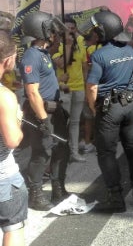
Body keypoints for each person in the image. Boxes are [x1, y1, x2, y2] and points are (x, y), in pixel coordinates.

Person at [82, 11, 133, 213]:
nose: (94, 34)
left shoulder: (99, 55)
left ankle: (116, 198)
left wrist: (95, 109)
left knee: (106, 153)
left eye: (96, 30)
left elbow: (92, 87)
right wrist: (130, 92)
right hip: (130, 106)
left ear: (104, 32)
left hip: (108, 108)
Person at [15, 11, 69, 211]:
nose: (53, 31)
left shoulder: (43, 53)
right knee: (42, 153)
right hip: (42, 112)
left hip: (55, 109)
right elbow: (32, 92)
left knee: (61, 149)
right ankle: (35, 194)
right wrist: (43, 119)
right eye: (50, 28)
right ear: (41, 30)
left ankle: (58, 188)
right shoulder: (31, 56)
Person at [0, 30, 27, 245]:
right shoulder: (5, 96)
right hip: (3, 177)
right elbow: (12, 140)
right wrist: (17, 118)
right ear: (8, 60)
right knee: (13, 227)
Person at [52, 20, 88, 163]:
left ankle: (74, 152)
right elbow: (61, 63)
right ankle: (61, 152)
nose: (70, 31)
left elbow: (84, 66)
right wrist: (67, 45)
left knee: (75, 122)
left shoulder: (80, 44)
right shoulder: (57, 46)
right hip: (64, 89)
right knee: (62, 123)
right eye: (67, 29)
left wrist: (85, 85)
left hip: (79, 88)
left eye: (72, 29)